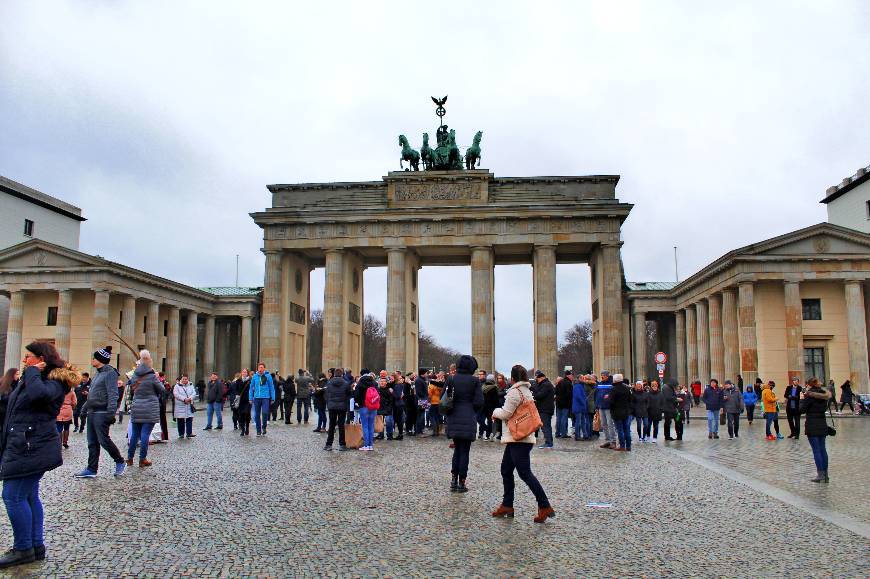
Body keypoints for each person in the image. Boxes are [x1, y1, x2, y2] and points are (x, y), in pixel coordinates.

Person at [0, 341, 75, 568]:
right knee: (29, 495)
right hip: (24, 444)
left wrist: (32, 372)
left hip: (32, 446)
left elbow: (37, 396)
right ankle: (35, 546)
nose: (25, 361)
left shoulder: (55, 381)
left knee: (13, 496)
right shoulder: (33, 378)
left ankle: (23, 548)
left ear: (41, 358)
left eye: (29, 357)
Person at [491, 364, 554, 523]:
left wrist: (494, 412)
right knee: (506, 469)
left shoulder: (514, 392)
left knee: (525, 473)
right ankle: (507, 505)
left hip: (518, 438)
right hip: (521, 437)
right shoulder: (527, 390)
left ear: (512, 378)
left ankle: (544, 505)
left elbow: (506, 413)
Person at [75, 346, 125, 479]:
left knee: (104, 440)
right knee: (92, 442)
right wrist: (84, 409)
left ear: (100, 359)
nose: (92, 360)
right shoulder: (98, 373)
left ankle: (119, 461)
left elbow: (113, 394)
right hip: (92, 411)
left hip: (102, 412)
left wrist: (110, 413)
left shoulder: (110, 373)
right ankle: (92, 469)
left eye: (94, 358)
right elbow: (92, 394)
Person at [446, 355, 484, 492]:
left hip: (454, 416)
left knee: (456, 450)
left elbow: (444, 398)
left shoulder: (451, 379)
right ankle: (462, 482)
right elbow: (479, 402)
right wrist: (471, 410)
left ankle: (453, 480)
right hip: (468, 417)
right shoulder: (474, 381)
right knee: (464, 451)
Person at [125, 350, 165, 467]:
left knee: (135, 435)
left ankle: (130, 458)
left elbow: (131, 387)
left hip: (137, 406)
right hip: (150, 408)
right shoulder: (152, 376)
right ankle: (142, 459)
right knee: (145, 434)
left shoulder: (135, 376)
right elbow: (162, 390)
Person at [800, 378, 833, 483]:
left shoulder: (809, 396)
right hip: (822, 424)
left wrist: (801, 399)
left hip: (812, 425)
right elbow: (825, 409)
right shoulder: (825, 396)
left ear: (809, 385)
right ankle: (826, 475)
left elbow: (801, 410)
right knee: (823, 449)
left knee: (816, 450)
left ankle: (820, 475)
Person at [324, 367, 351, 451]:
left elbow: (326, 395)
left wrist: (329, 403)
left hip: (332, 406)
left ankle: (328, 444)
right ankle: (342, 444)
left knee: (331, 425)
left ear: (334, 374)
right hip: (342, 407)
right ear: (342, 374)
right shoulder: (346, 383)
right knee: (341, 426)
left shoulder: (329, 383)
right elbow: (349, 395)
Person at [250, 364, 275, 436]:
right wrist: (250, 398)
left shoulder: (268, 376)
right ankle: (258, 430)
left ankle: (264, 427)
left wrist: (273, 398)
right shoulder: (255, 376)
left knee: (265, 413)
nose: (260, 369)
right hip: (257, 397)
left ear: (264, 368)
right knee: (257, 415)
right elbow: (251, 388)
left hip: (265, 397)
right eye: (259, 367)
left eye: (261, 367)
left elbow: (271, 387)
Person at [532, 370, 555, 449]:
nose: (537, 381)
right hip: (546, 408)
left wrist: (533, 394)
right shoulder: (547, 384)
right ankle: (549, 442)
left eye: (537, 379)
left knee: (545, 426)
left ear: (541, 378)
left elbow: (539, 395)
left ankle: (548, 443)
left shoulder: (546, 385)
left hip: (545, 409)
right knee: (546, 426)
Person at [610, 374, 632, 452]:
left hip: (617, 412)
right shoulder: (627, 388)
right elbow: (630, 400)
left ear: (615, 380)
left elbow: (611, 402)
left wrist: (607, 398)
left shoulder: (613, 389)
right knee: (626, 429)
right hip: (626, 411)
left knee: (620, 430)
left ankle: (622, 446)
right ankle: (628, 446)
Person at [595, 371, 617, 449]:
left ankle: (613, 441)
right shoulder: (600, 384)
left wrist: (609, 396)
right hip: (601, 407)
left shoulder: (612, 384)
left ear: (607, 376)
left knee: (610, 424)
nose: (602, 377)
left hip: (608, 407)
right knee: (604, 424)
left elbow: (614, 394)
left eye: (603, 375)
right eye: (601, 375)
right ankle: (607, 440)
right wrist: (597, 406)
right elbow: (597, 395)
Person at [358, 371, 379, 450]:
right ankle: (370, 445)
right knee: (371, 426)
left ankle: (366, 445)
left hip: (363, 406)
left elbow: (356, 395)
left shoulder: (360, 383)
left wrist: (359, 402)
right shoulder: (374, 383)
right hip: (373, 407)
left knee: (365, 426)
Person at [55, 380, 76, 450]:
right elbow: (74, 403)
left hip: (59, 411)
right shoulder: (72, 392)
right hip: (68, 410)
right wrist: (71, 407)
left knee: (59, 428)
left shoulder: (58, 391)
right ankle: (65, 442)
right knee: (66, 428)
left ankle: (59, 443)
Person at [0, 369, 21, 434]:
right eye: (17, 374)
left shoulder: (18, 384)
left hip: (11, 412)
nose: (18, 376)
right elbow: (4, 397)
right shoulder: (3, 384)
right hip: (3, 411)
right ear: (11, 375)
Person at [554, 370, 573, 439]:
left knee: (558, 418)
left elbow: (555, 392)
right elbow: (569, 395)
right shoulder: (569, 383)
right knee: (564, 419)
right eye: (571, 375)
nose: (572, 377)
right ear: (568, 375)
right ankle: (564, 433)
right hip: (565, 404)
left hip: (559, 403)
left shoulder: (559, 382)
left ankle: (557, 433)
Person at [572, 376, 590, 441]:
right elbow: (578, 396)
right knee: (578, 422)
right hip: (578, 406)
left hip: (581, 406)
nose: (584, 379)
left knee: (583, 421)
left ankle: (585, 435)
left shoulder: (581, 386)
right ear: (579, 379)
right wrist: (584, 402)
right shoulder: (577, 386)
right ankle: (577, 436)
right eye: (582, 378)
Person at [235, 372, 252, 437]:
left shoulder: (250, 381)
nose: (244, 373)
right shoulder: (238, 381)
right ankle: (242, 429)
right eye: (243, 372)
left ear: (247, 373)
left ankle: (247, 426)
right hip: (241, 401)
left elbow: (252, 389)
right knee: (241, 415)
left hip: (248, 400)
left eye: (245, 372)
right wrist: (237, 396)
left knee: (247, 414)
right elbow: (236, 390)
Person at [414, 370, 429, 436]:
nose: (427, 374)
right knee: (420, 415)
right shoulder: (419, 380)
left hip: (424, 399)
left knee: (422, 415)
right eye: (426, 373)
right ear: (423, 373)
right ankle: (418, 431)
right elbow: (419, 391)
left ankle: (421, 430)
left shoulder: (422, 380)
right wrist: (424, 396)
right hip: (421, 400)